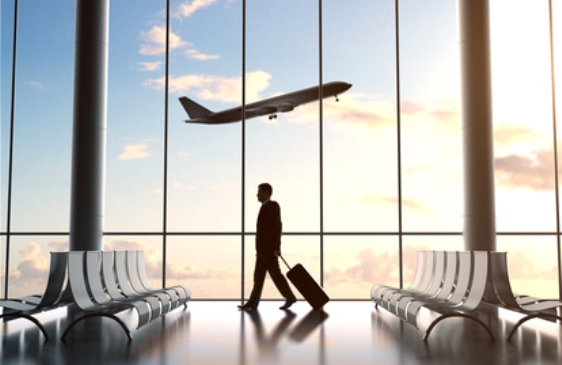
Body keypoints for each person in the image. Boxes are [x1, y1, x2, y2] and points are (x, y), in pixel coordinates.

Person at [238, 183, 297, 311]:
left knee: (276, 275)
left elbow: (277, 228)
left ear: (266, 192)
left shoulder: (272, 206)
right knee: (258, 278)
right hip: (261, 251)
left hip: (269, 250)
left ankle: (290, 297)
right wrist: (258, 250)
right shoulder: (264, 207)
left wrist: (276, 248)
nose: (257, 195)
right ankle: (252, 303)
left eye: (259, 192)